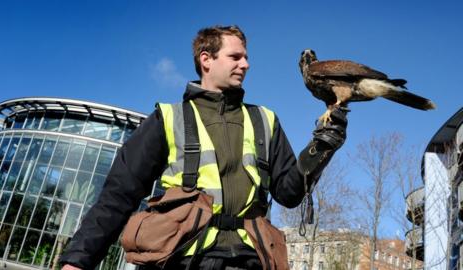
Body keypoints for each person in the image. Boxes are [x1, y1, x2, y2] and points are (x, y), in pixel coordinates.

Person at [60, 25, 348, 270]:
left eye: (246, 57)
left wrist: (322, 147)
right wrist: (78, 260)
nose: (245, 64)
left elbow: (289, 193)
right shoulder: (168, 118)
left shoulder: (264, 120)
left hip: (246, 260)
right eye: (235, 56)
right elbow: (118, 195)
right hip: (179, 258)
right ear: (206, 59)